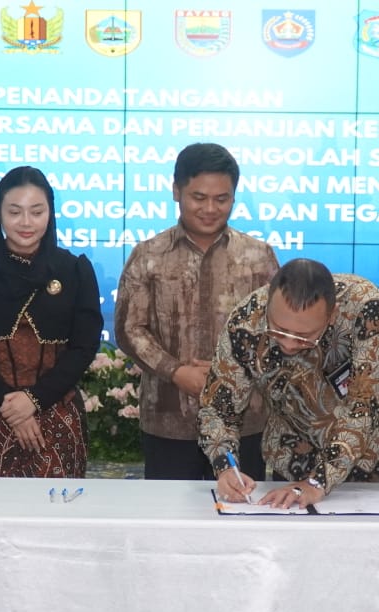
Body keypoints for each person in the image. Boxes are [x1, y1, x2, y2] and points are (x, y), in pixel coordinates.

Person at [199, 258, 379, 508]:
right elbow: (219, 407)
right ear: (268, 306)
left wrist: (317, 482)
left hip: (378, 458)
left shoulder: (365, 307)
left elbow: (364, 408)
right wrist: (225, 467)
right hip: (296, 455)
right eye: (279, 330)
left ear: (332, 315)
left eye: (303, 337)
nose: (288, 344)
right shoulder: (245, 321)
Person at [115, 142, 279, 481]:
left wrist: (231, 375)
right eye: (199, 197)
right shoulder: (149, 256)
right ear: (177, 191)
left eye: (222, 199)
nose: (210, 209)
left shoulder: (259, 257)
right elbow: (130, 329)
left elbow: (278, 332)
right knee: (169, 511)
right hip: (169, 419)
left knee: (242, 508)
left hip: (243, 419)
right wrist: (178, 372)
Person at [0, 166, 102, 477]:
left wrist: (34, 400)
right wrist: (10, 405)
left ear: (50, 213)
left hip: (56, 412)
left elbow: (84, 347)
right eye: (15, 212)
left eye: (37, 211)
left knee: (57, 504)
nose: (26, 222)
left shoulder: (74, 270)